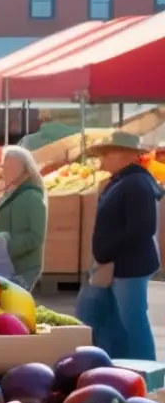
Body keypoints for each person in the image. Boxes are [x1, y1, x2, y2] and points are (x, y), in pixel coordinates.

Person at [75, 132, 161, 360]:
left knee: (133, 322)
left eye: (106, 154)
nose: (101, 160)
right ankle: (118, 364)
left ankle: (148, 372)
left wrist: (107, 251)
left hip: (128, 266)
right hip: (114, 264)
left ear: (123, 155)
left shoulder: (136, 183)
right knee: (111, 321)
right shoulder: (123, 181)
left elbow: (142, 228)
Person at [0, 146, 47, 290]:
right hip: (8, 264)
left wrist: (3, 248)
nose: (4, 172)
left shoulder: (31, 197)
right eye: (4, 167)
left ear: (25, 170)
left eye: (9, 168)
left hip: (22, 268)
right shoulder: (12, 193)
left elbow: (35, 236)